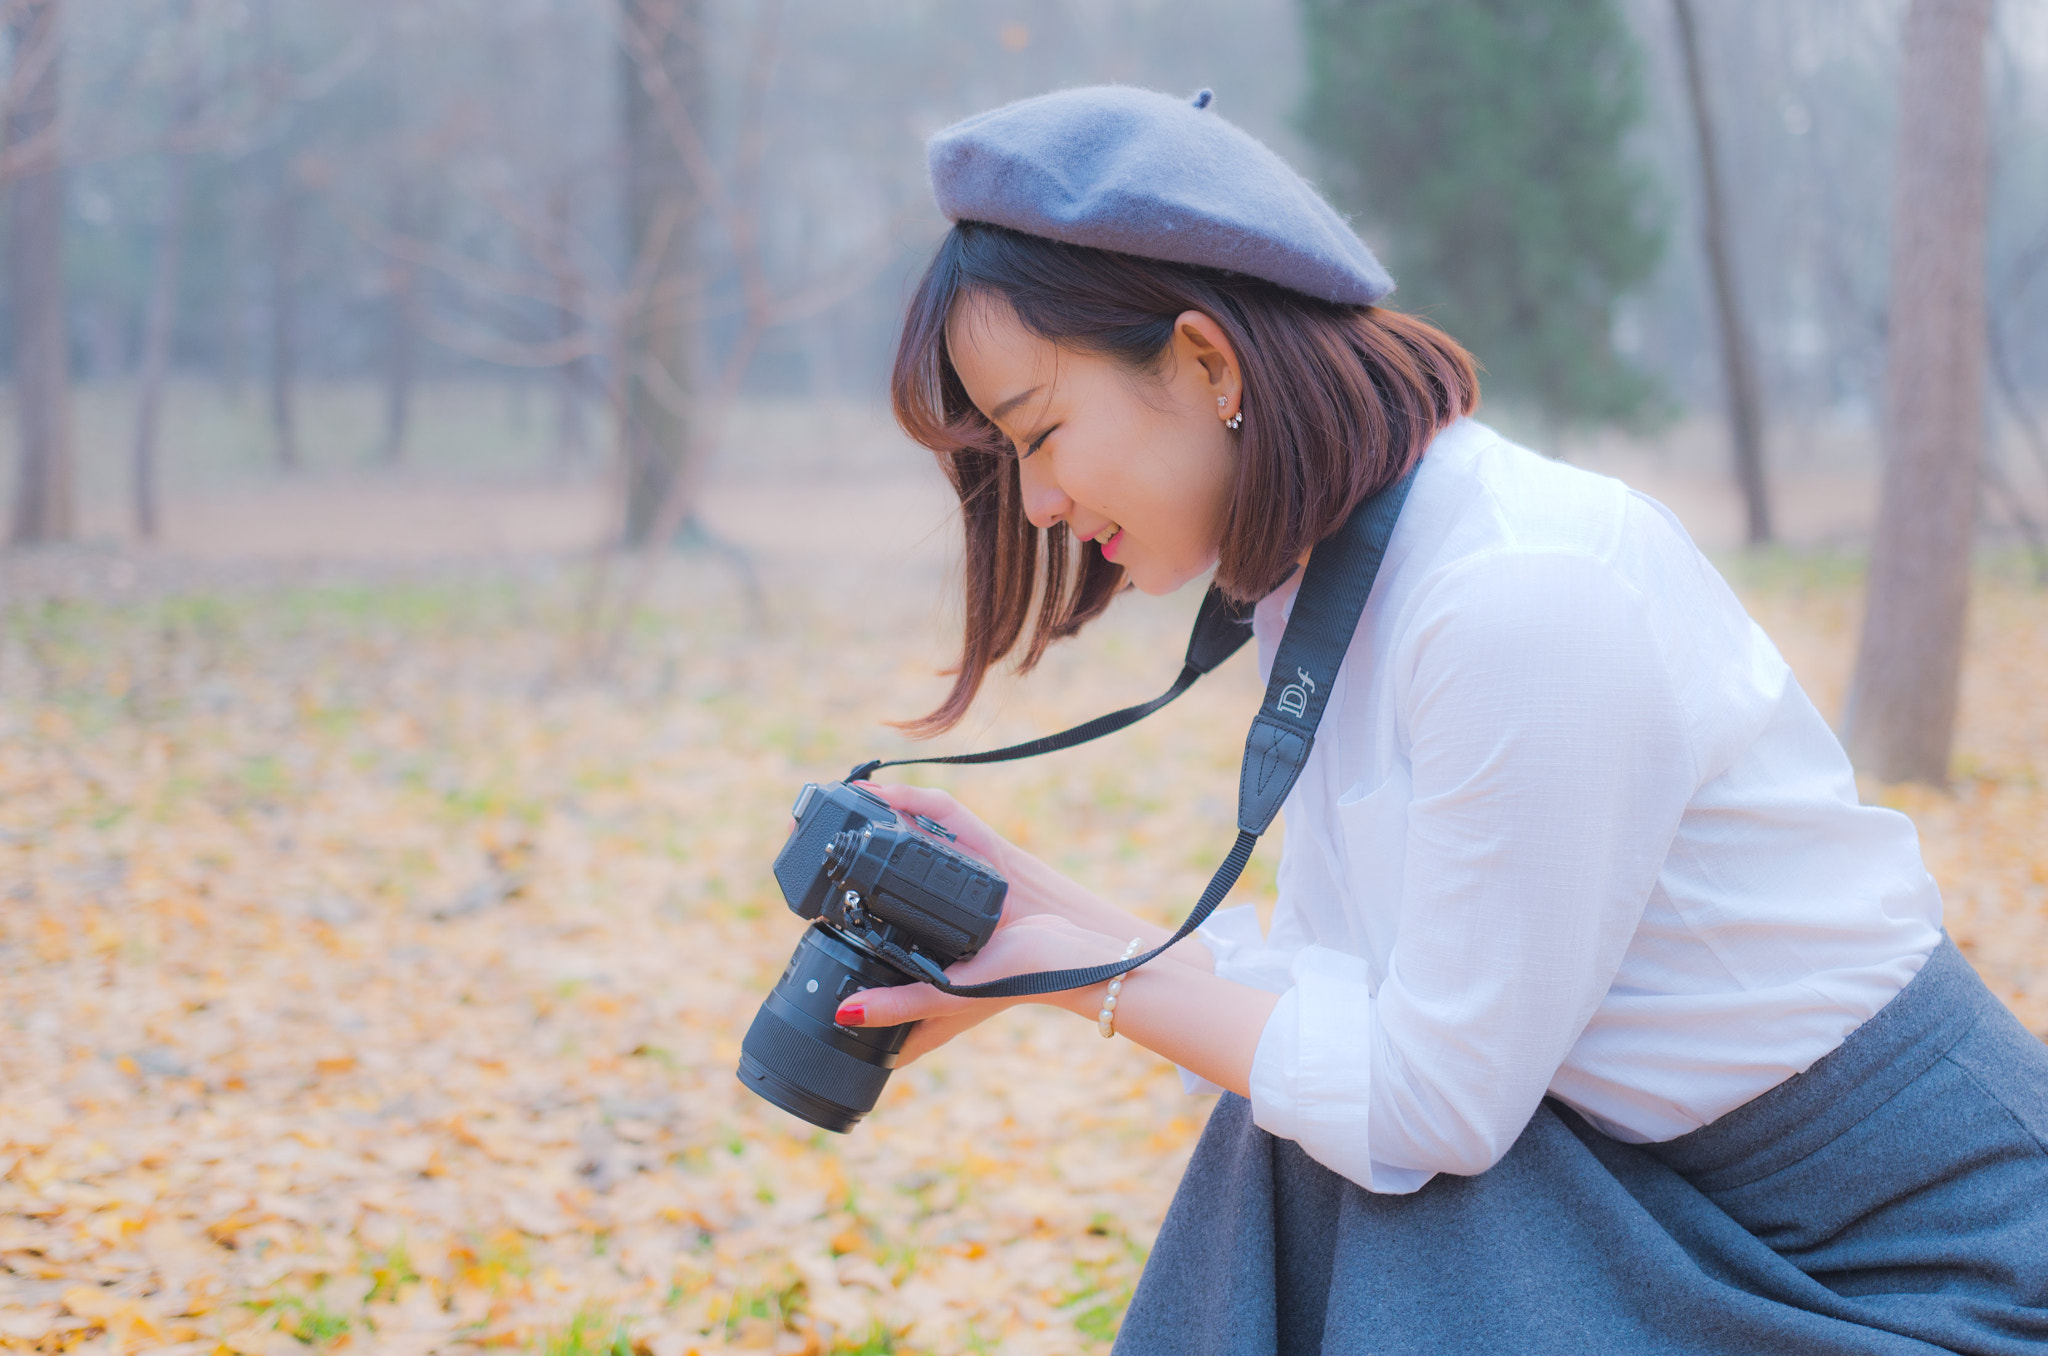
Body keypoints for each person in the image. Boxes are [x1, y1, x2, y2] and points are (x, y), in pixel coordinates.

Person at [830, 86, 2048, 1354]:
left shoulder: (1516, 591)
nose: (1029, 502)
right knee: (1303, 1120)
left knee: (1346, 1146)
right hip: (1667, 1198)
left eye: (1038, 434)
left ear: (1205, 361)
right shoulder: (1337, 574)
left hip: (1919, 1262)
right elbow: (1354, 1010)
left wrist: (1070, 977)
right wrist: (1027, 918)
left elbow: (1425, 1105)